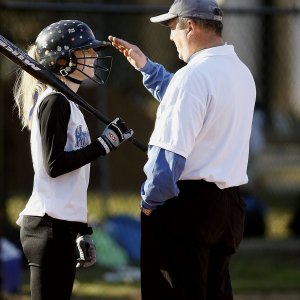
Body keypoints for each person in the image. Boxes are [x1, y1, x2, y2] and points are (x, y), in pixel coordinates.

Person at [108, 0, 256, 298]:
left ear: (190, 26)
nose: (170, 36)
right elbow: (188, 96)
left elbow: (170, 154)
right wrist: (146, 67)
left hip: (187, 206)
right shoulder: (240, 72)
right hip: (228, 208)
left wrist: (149, 203)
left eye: (172, 27)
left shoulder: (192, 77)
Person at [13, 19, 133, 300]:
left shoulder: (71, 104)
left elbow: (73, 183)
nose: (93, 56)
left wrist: (81, 230)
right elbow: (54, 167)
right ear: (63, 60)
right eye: (85, 52)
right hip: (46, 227)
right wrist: (104, 145)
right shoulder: (55, 101)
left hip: (62, 225)